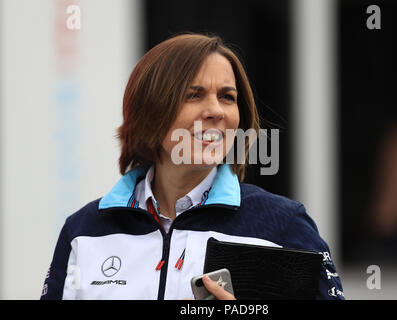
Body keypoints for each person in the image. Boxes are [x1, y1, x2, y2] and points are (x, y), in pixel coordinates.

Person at [40, 33, 344, 300]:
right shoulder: (83, 231)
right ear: (149, 111)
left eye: (227, 97)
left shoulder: (283, 225)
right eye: (193, 95)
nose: (215, 111)